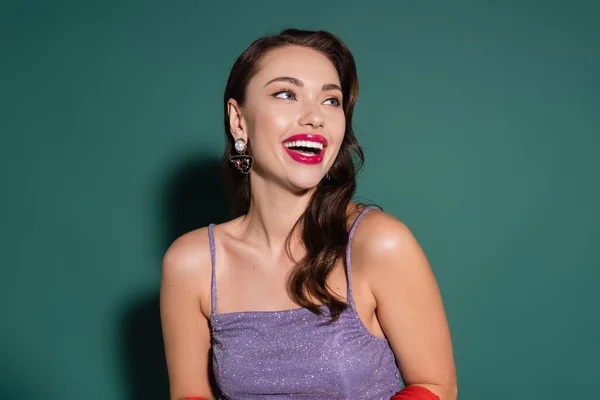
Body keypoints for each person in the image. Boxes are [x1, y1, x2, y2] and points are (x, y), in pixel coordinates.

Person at [160, 29, 457, 400]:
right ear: (239, 121)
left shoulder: (378, 242)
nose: (315, 117)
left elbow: (435, 385)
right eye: (286, 94)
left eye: (331, 101)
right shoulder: (192, 263)